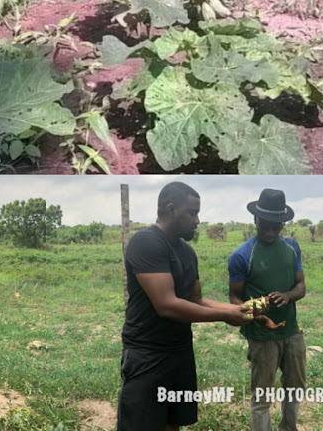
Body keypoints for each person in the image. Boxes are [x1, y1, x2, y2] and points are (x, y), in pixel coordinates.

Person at [117, 181, 250, 431]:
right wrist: (223, 315)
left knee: (173, 422)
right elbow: (166, 305)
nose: (197, 220)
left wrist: (237, 309)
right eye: (192, 212)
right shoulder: (146, 242)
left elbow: (196, 300)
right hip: (147, 354)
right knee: (142, 424)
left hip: (179, 351)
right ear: (170, 210)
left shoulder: (187, 252)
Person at [228, 188, 306, 431]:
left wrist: (288, 296)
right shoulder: (242, 256)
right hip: (262, 337)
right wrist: (255, 315)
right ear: (255, 220)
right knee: (262, 395)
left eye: (277, 226)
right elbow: (234, 297)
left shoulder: (292, 247)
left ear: (283, 224)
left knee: (295, 388)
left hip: (291, 332)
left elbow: (301, 286)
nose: (271, 232)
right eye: (265, 226)